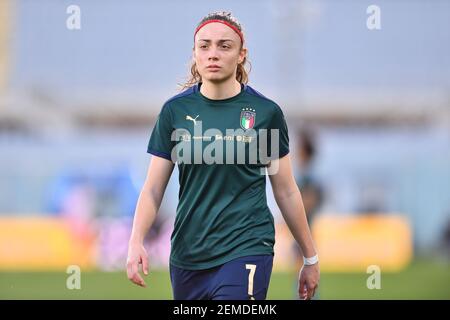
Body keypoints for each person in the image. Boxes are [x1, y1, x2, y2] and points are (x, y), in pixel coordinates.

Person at [126, 11, 319, 300]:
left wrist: (310, 257)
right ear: (194, 53)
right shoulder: (174, 113)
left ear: (242, 54)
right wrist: (135, 240)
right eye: (204, 46)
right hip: (188, 256)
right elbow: (153, 189)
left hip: (247, 246)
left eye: (224, 46)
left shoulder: (266, 113)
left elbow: (287, 192)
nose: (212, 54)